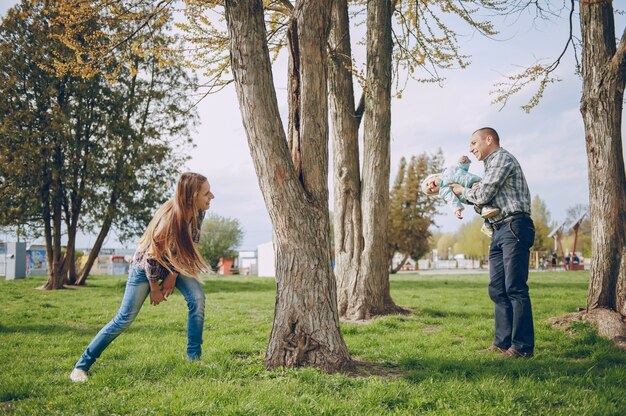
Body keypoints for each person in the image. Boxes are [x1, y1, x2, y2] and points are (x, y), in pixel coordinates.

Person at [70, 172, 214, 382]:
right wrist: (154, 288)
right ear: (192, 196)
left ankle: (194, 359)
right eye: (206, 193)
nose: (212, 196)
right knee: (123, 319)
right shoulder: (168, 220)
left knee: (198, 299)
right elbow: (151, 258)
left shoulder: (197, 212)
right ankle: (81, 367)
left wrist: (173, 275)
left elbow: (186, 246)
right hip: (146, 268)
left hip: (173, 264)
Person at [449, 127, 535, 358]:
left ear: (489, 140)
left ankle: (522, 347)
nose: (471, 148)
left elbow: (484, 195)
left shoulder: (501, 159)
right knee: (497, 288)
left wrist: (463, 190)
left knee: (515, 287)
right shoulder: (490, 167)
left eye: (474, 143)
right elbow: (482, 203)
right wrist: (470, 194)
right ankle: (502, 343)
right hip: (498, 229)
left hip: (514, 225)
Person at [421, 155, 500, 236]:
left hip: (476, 181)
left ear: (433, 177)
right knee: (482, 202)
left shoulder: (448, 170)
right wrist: (456, 209)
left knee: (491, 194)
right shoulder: (444, 190)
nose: (430, 186)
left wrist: (464, 162)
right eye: (430, 190)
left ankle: (490, 216)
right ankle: (487, 223)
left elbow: (462, 169)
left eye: (428, 184)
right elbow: (451, 199)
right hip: (468, 193)